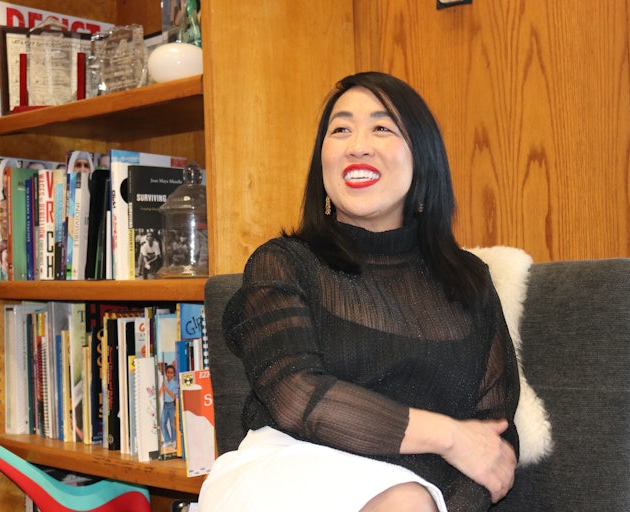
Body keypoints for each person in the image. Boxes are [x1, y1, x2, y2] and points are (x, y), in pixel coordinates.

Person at [199, 72, 520, 512]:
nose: (357, 145)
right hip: (290, 471)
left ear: (422, 158)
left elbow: (494, 435)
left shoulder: (471, 280)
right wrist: (447, 435)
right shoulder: (284, 263)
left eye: (382, 127)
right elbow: (296, 395)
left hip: (422, 497)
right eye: (341, 129)